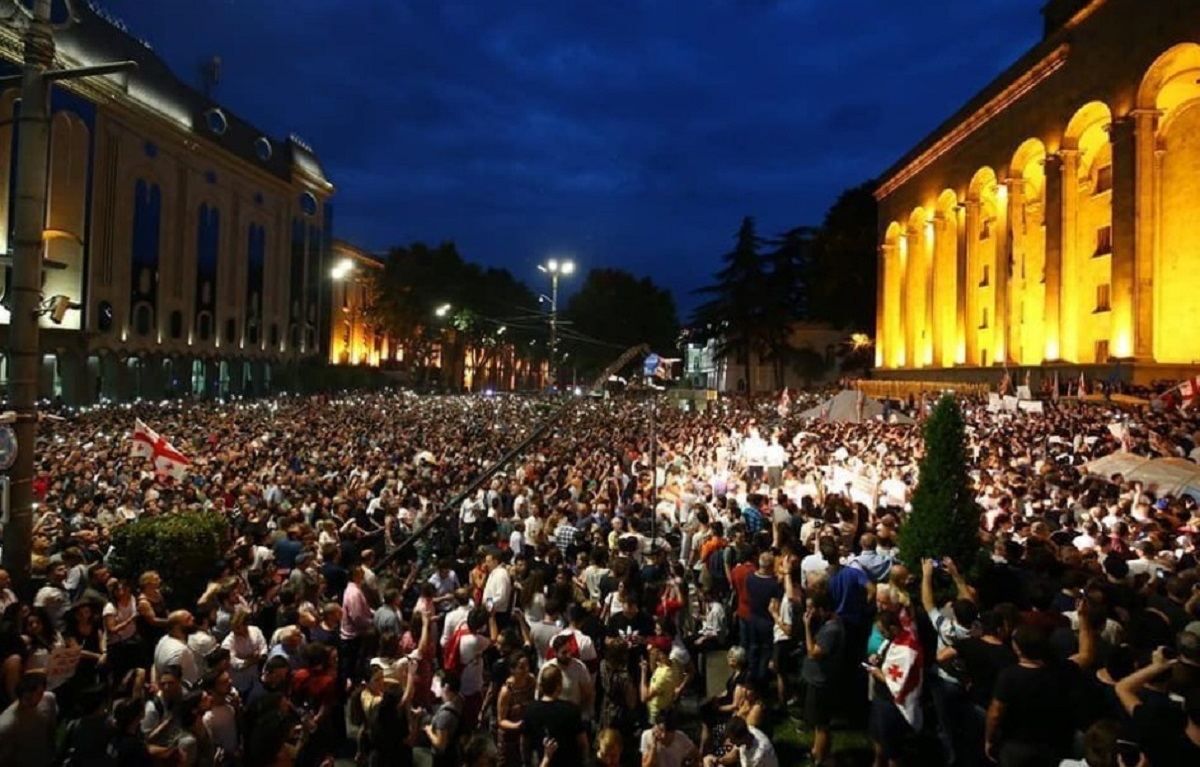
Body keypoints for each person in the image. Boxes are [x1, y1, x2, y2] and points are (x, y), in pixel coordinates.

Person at [802, 587, 844, 764]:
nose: (809, 612)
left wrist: (806, 628)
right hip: (820, 680)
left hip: (821, 682)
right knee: (819, 722)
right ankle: (818, 750)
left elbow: (813, 652)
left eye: (812, 609)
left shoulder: (831, 630)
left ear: (822, 609)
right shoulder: (830, 624)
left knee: (821, 725)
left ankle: (819, 758)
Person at [523, 664, 588, 767]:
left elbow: (525, 742)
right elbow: (582, 743)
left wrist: (526, 762)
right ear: (559, 686)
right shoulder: (571, 710)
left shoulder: (530, 710)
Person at [0, 672, 57, 767]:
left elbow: (51, 728)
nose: (35, 699)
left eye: (39, 694)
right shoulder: (7, 724)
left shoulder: (48, 699)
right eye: (28, 698)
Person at [702, 715, 777, 767]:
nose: (729, 741)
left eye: (732, 739)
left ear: (741, 738)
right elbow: (735, 753)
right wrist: (718, 760)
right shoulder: (747, 731)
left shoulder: (758, 756)